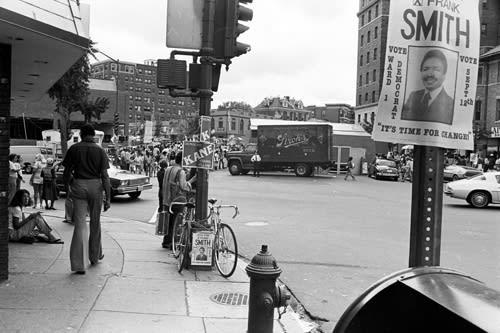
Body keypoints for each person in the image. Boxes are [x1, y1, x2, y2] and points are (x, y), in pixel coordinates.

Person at [62, 124, 111, 275]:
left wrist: (67, 188)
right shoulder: (100, 150)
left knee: (80, 224)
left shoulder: (74, 149)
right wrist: (108, 197)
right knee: (95, 222)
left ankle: (79, 264)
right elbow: (105, 176)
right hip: (96, 186)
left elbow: (67, 172)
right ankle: (95, 256)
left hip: (79, 185)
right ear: (93, 135)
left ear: (82, 134)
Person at [401, 49, 454, 124]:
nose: (429, 74)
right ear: (421, 72)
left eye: (436, 69)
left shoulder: (451, 104)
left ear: (444, 75)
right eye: (426, 69)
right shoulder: (413, 96)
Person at [161, 152, 193, 249]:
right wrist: (192, 181)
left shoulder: (169, 168)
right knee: (176, 222)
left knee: (169, 221)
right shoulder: (181, 171)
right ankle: (173, 243)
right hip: (177, 200)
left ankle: (166, 241)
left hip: (167, 199)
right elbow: (183, 186)